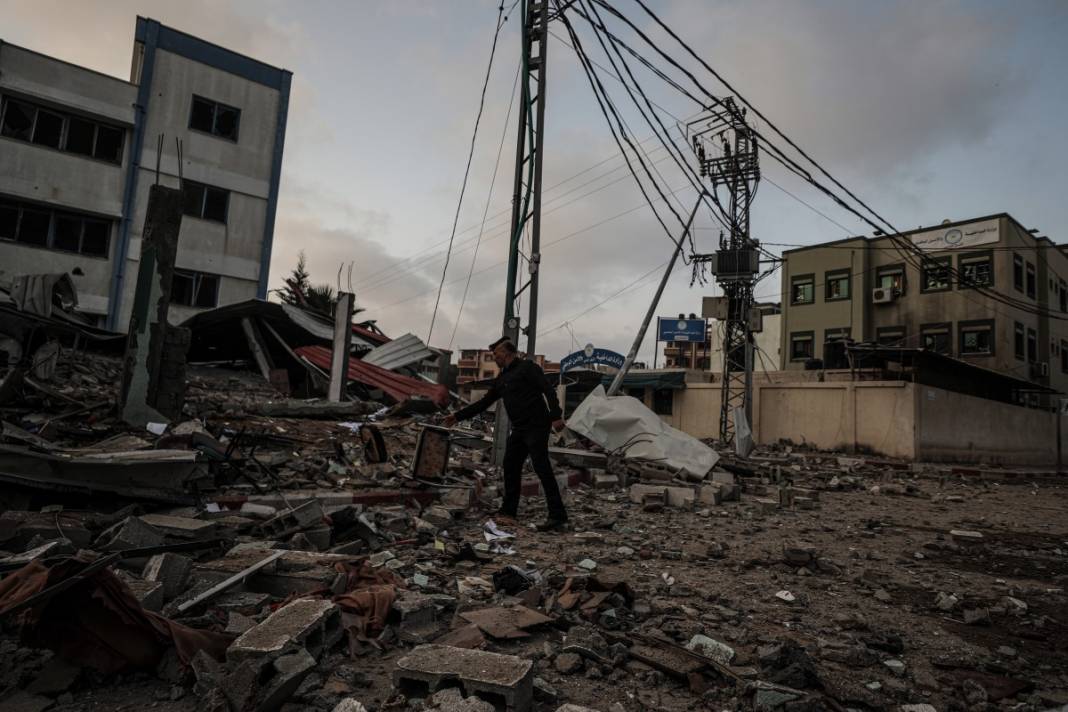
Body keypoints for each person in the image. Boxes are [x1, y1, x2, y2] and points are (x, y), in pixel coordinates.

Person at [443, 336, 568, 531]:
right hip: (519, 429)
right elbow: (484, 403)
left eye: (496, 354)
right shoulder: (502, 378)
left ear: (507, 352)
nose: (494, 357)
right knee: (510, 465)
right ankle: (509, 511)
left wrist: (556, 416)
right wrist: (457, 416)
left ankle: (558, 516)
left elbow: (548, 390)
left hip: (537, 425)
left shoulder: (528, 368)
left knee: (542, 467)